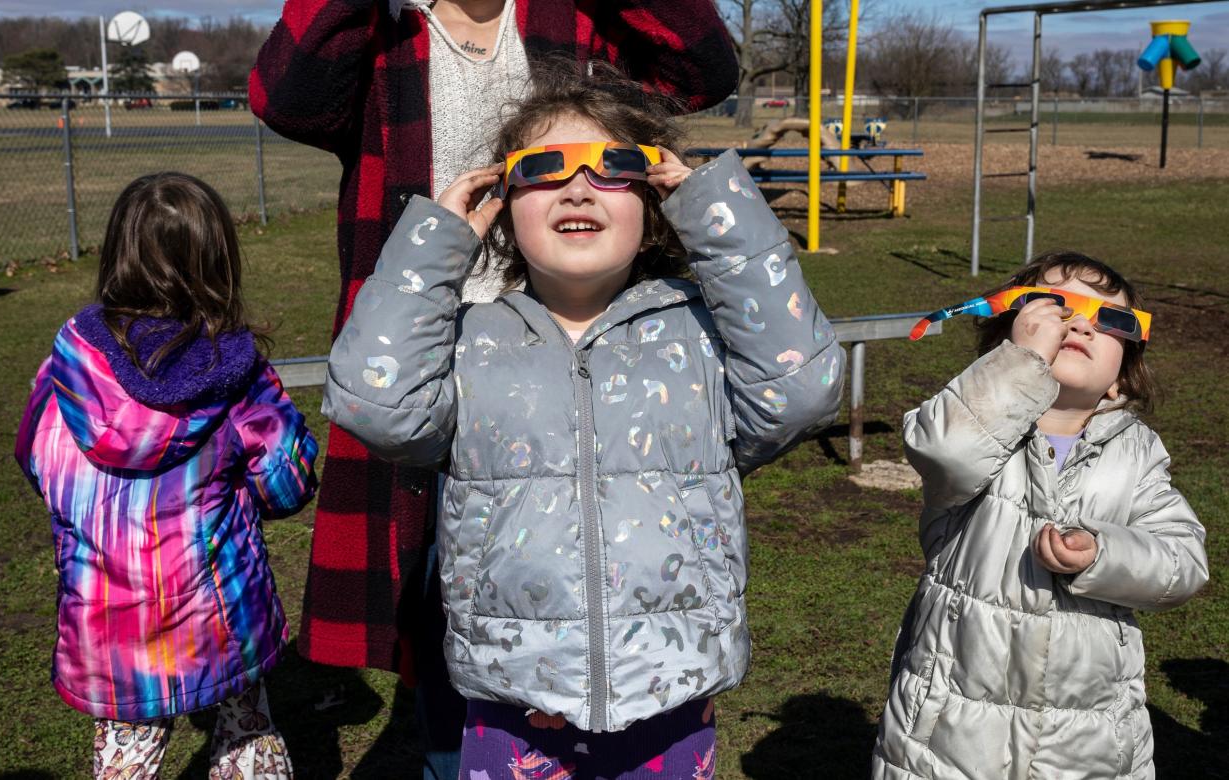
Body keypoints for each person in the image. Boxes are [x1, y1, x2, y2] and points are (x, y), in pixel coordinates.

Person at [320, 62, 844, 776]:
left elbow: (806, 385)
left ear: (655, 199)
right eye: (544, 168)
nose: (578, 187)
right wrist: (436, 245)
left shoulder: (701, 338)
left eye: (613, 168)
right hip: (514, 714)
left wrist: (715, 215)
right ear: (501, 203)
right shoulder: (471, 344)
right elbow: (370, 402)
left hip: (668, 710)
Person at [251, 3, 736, 773]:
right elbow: (286, 95)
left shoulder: (578, 23)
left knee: (568, 586)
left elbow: (704, 69)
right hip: (424, 361)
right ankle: (464, 756)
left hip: (571, 360)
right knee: (444, 606)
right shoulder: (383, 38)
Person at [15, 173, 319, 780]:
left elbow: (38, 461)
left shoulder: (63, 370)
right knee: (247, 736)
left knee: (126, 757)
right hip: (222, 618)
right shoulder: (238, 375)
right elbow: (286, 485)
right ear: (218, 259)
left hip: (107, 622)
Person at [873, 252, 1209, 779]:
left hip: (1086, 743)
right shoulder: (978, 422)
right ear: (1010, 338)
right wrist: (1020, 367)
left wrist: (1104, 553)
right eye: (1055, 305)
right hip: (953, 738)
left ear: (1124, 373)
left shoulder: (1137, 453)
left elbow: (1183, 562)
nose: (1080, 323)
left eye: (1112, 320)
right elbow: (944, 450)